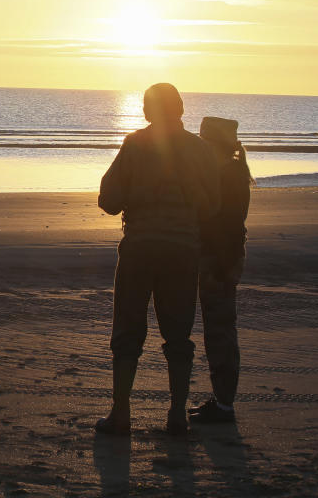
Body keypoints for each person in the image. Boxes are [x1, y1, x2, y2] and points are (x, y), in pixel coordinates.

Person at [95, 83, 220, 436]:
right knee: (178, 335)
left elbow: (108, 200)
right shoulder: (201, 150)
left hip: (139, 249)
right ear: (180, 109)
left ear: (148, 111)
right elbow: (213, 207)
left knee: (127, 333)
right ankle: (177, 415)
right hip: (182, 251)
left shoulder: (135, 145)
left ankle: (121, 414)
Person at [189, 117, 252, 423]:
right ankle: (223, 400)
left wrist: (221, 265)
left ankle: (224, 404)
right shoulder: (232, 172)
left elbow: (221, 226)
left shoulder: (226, 176)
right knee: (220, 328)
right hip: (222, 258)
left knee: (219, 330)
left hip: (218, 260)